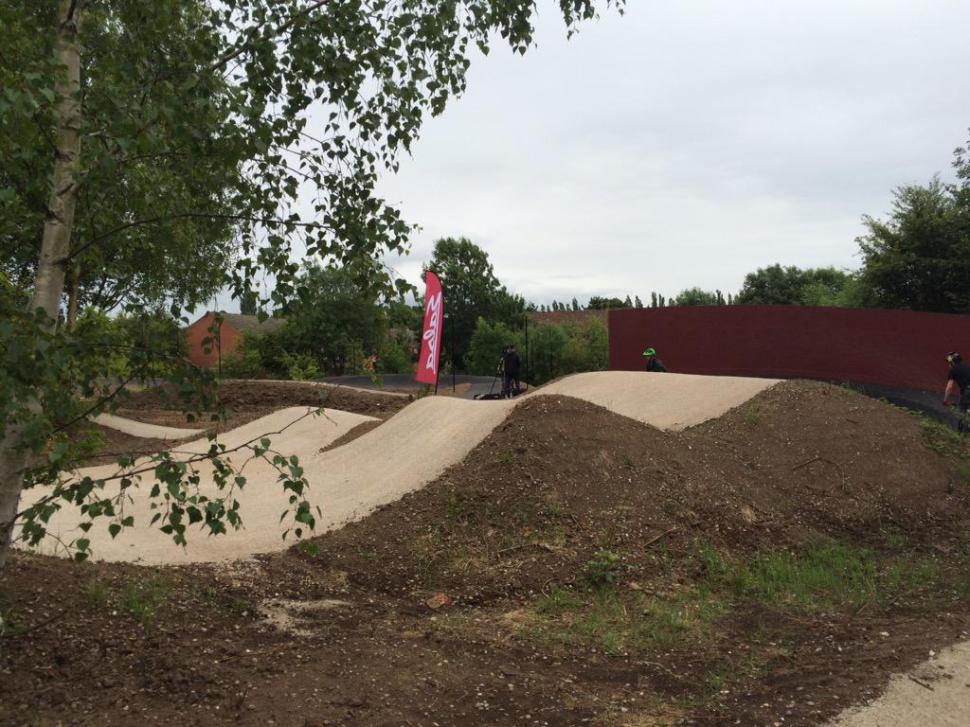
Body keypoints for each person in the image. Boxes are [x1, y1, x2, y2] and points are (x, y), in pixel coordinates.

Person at [943, 351, 970, 433]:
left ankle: (959, 433)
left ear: (952, 362)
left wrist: (945, 400)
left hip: (967, 391)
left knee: (962, 412)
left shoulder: (953, 370)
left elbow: (949, 387)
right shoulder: (967, 366)